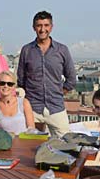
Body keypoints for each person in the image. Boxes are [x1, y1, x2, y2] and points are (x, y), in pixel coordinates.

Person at [17, 10, 76, 138]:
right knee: (29, 147)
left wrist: (59, 92)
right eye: (39, 25)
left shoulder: (62, 50)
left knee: (65, 145)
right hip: (32, 109)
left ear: (51, 27)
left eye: (46, 25)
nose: (42, 29)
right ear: (34, 28)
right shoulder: (27, 50)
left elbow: (71, 79)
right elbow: (21, 80)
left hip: (56, 108)